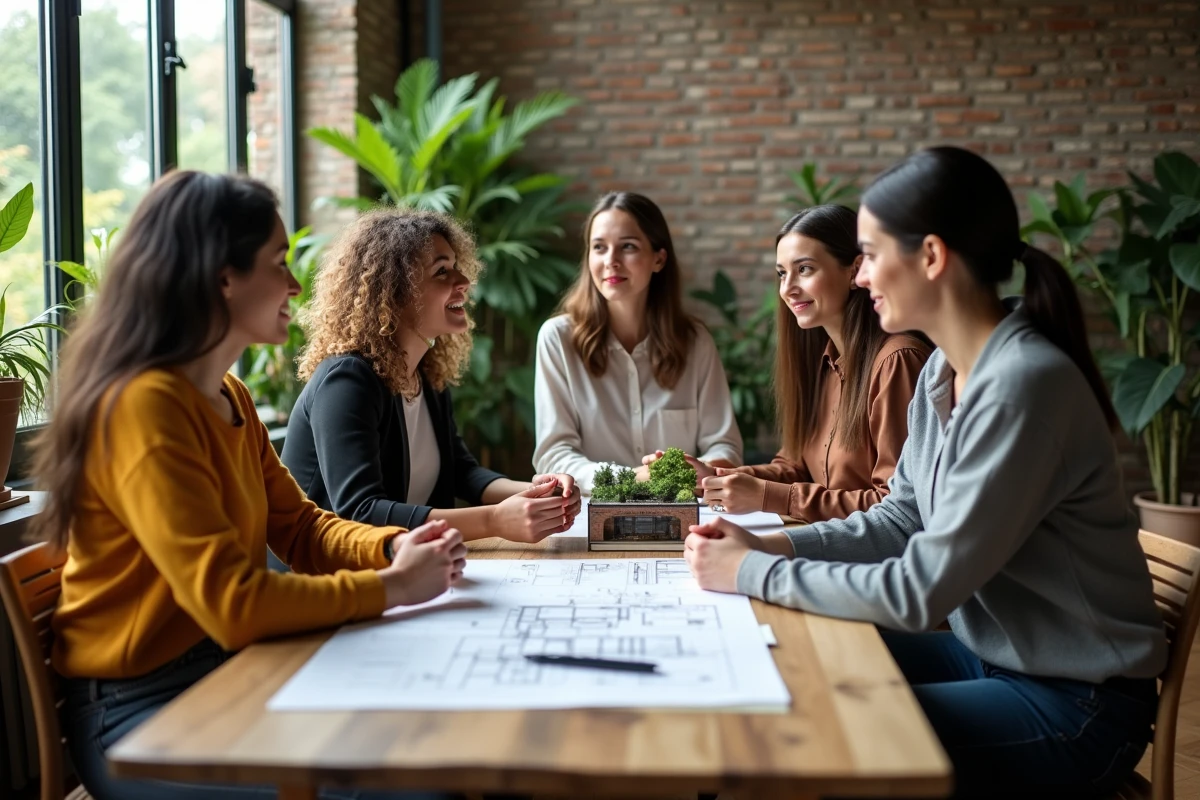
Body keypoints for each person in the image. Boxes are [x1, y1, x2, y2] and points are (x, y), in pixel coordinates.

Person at [682, 147, 1167, 797]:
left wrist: (753, 571)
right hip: (993, 654)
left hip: (1077, 705)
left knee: (817, 725)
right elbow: (899, 517)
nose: (860, 278)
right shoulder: (944, 372)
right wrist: (768, 543)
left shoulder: (1022, 388)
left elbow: (920, 591)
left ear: (932, 257)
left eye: (871, 255)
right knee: (796, 668)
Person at [31, 172, 463, 800]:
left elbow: (301, 525)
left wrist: (391, 547)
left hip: (229, 673)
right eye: (279, 263)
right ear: (223, 277)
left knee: (428, 754)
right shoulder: (145, 408)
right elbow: (232, 606)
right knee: (409, 788)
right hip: (139, 716)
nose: (294, 284)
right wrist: (392, 587)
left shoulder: (227, 394)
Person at [282, 208, 581, 543]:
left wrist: (538, 490)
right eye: (442, 272)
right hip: (324, 583)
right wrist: (494, 521)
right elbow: (359, 512)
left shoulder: (425, 375)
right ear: (394, 291)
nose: (464, 283)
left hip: (399, 573)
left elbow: (461, 472)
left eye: (456, 267)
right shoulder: (347, 380)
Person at [655, 205, 930, 522]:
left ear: (855, 271)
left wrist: (766, 496)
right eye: (782, 273)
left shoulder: (897, 361)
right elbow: (794, 468)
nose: (787, 289)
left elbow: (895, 507)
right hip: (823, 545)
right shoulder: (821, 363)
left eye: (805, 269)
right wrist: (711, 477)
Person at [533, 191, 742, 493]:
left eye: (627, 247)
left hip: (686, 516)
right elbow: (554, 456)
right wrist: (630, 479)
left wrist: (695, 471)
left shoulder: (695, 342)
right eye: (599, 247)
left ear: (658, 259)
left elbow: (724, 446)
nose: (611, 261)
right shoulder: (557, 339)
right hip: (591, 518)